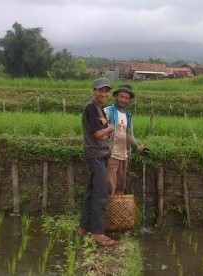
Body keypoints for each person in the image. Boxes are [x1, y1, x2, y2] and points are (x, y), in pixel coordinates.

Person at [77, 77, 116, 246]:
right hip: (96, 155)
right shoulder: (92, 108)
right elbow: (99, 134)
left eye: (106, 91)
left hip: (97, 155)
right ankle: (98, 233)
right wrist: (110, 128)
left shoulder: (98, 109)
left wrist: (106, 129)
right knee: (100, 194)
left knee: (92, 193)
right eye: (100, 90)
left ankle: (83, 227)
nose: (103, 94)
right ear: (94, 90)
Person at [104, 84, 146, 195]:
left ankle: (117, 209)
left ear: (129, 100)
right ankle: (107, 208)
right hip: (111, 153)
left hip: (123, 154)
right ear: (116, 97)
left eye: (126, 98)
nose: (123, 100)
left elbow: (129, 135)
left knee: (121, 184)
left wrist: (137, 147)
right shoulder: (107, 112)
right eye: (121, 96)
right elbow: (99, 129)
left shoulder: (128, 116)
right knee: (109, 184)